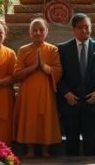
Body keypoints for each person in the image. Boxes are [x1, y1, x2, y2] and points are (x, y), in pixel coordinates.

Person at [57, 13, 95, 156]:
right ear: (73, 29)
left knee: (90, 147)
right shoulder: (63, 49)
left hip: (92, 102)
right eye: (80, 28)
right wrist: (66, 93)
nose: (84, 31)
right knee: (71, 147)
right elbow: (57, 76)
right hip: (70, 102)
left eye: (87, 27)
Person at [14, 18, 62, 157]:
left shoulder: (52, 49)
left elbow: (58, 71)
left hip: (46, 90)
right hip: (28, 92)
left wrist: (44, 67)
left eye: (41, 30)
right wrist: (33, 67)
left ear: (46, 32)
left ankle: (45, 150)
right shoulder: (23, 50)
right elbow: (17, 73)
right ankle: (30, 150)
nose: (38, 32)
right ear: (30, 33)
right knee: (29, 119)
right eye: (34, 30)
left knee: (46, 118)